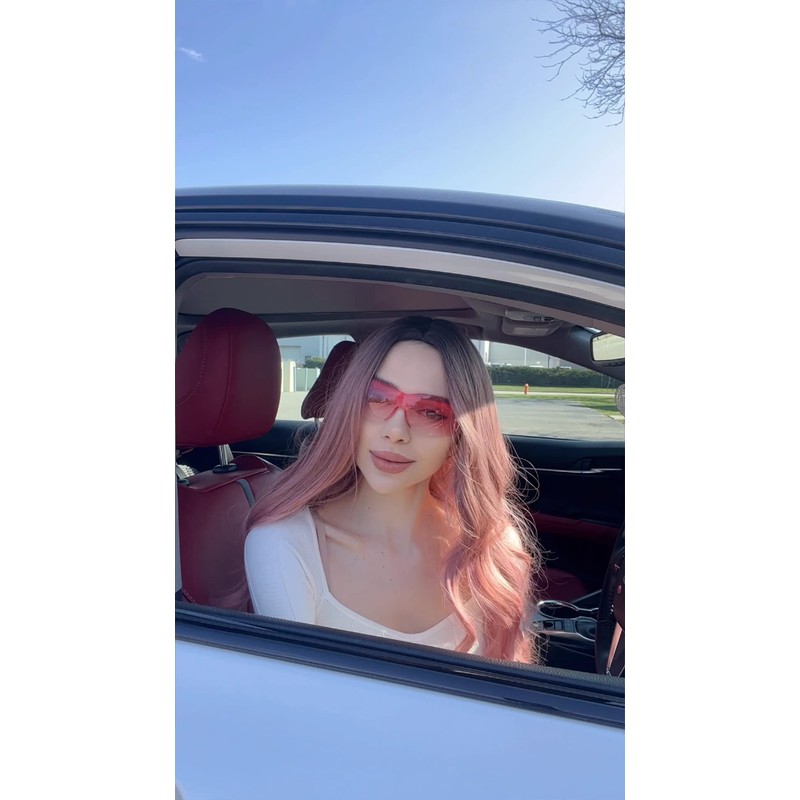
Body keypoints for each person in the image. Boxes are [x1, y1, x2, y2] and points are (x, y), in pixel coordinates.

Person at [244, 316, 542, 663]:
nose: (396, 431)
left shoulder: (493, 546)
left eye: (431, 412)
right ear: (348, 406)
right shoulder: (285, 544)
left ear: (461, 432)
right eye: (378, 398)